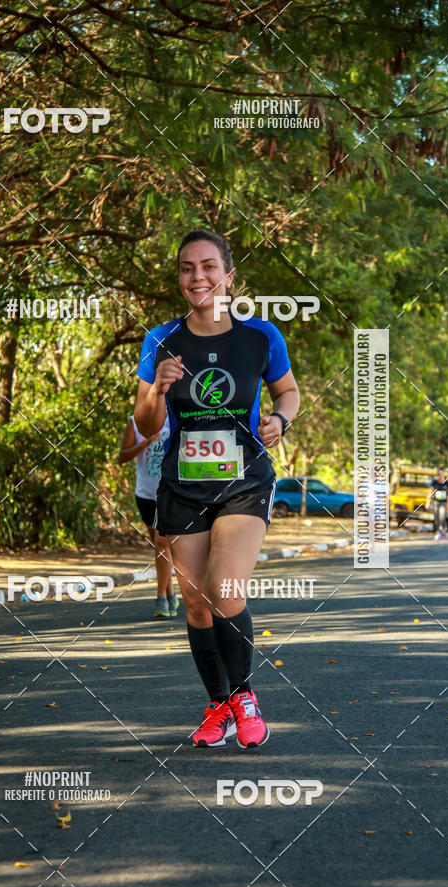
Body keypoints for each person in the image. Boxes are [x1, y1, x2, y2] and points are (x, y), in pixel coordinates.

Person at [134, 229, 300, 749]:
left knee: (225, 588)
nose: (198, 276)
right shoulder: (161, 340)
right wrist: (159, 388)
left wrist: (280, 420)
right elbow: (144, 423)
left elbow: (288, 392)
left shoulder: (261, 337)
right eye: (187, 268)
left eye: (209, 267)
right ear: (180, 278)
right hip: (182, 486)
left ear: (229, 276)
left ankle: (245, 696)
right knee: (195, 601)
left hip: (244, 482)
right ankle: (217, 706)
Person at [118, 414, 179, 618]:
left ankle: (161, 597)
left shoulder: (176, 415)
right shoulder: (135, 422)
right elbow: (122, 456)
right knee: (160, 545)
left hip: (170, 491)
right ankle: (171, 593)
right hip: (145, 493)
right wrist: (146, 441)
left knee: (162, 542)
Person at [427, 466, 448, 541]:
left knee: (442, 517)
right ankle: (438, 533)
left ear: (443, 474)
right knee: (436, 518)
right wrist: (427, 502)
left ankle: (443, 531)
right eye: (439, 474)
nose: (440, 475)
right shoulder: (435, 482)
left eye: (441, 473)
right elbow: (430, 492)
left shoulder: (447, 483)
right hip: (436, 502)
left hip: (443, 503)